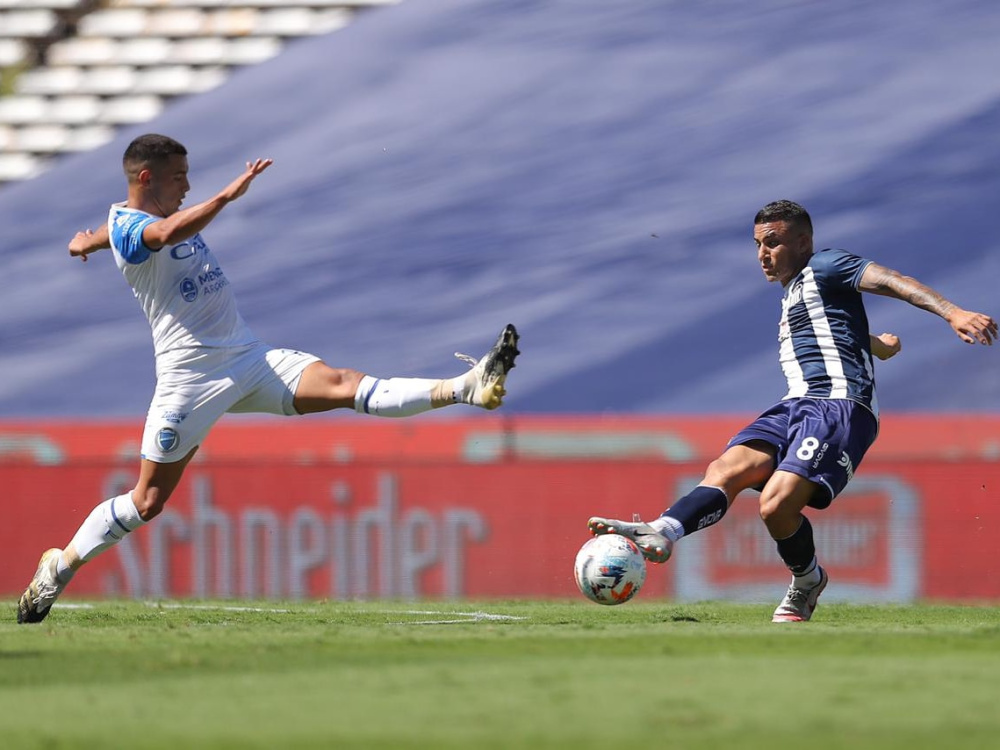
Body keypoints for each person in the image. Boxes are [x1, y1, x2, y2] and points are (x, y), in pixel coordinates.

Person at [17, 133, 520, 624]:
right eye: (179, 177)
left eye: (190, 178)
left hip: (248, 358)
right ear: (146, 178)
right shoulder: (143, 225)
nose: (187, 186)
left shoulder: (136, 222)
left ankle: (465, 387)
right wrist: (226, 195)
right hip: (190, 379)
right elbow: (158, 236)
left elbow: (130, 232)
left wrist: (86, 241)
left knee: (345, 383)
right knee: (147, 501)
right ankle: (58, 569)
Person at [589, 199, 996, 623]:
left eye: (773, 242)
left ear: (803, 242)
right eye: (758, 245)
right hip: (794, 404)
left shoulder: (827, 265)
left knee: (775, 504)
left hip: (839, 404)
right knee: (727, 468)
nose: (763, 255)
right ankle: (663, 530)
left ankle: (807, 580)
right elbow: (836, 328)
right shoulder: (796, 293)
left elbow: (893, 280)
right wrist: (878, 345)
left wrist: (953, 312)